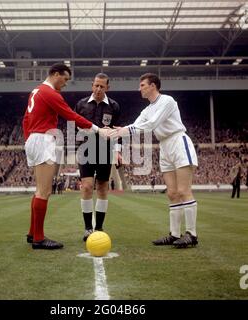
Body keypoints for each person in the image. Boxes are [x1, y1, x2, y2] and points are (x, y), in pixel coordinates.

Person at [109, 73, 198, 248]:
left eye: (142, 85)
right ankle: (174, 234)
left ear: (153, 86)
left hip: (178, 141)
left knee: (183, 191)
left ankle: (192, 234)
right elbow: (136, 125)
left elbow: (151, 124)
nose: (139, 88)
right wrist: (117, 132)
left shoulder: (167, 101)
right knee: (172, 193)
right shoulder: (147, 109)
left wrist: (124, 130)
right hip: (164, 146)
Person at [22, 63, 106, 250]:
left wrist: (29, 139)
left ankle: (32, 233)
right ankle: (38, 238)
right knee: (44, 191)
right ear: (55, 74)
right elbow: (70, 115)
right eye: (65, 79)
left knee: (39, 191)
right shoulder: (50, 93)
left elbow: (25, 119)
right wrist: (96, 128)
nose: (66, 83)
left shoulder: (35, 91)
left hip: (34, 138)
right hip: (44, 139)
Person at [74, 73, 121, 241]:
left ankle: (99, 228)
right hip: (85, 150)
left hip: (105, 151)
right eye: (96, 85)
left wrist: (118, 151)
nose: (98, 89)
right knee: (86, 186)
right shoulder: (81, 104)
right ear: (92, 85)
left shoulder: (114, 106)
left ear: (107, 88)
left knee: (102, 187)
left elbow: (117, 131)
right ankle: (88, 228)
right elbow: (73, 126)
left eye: (102, 86)